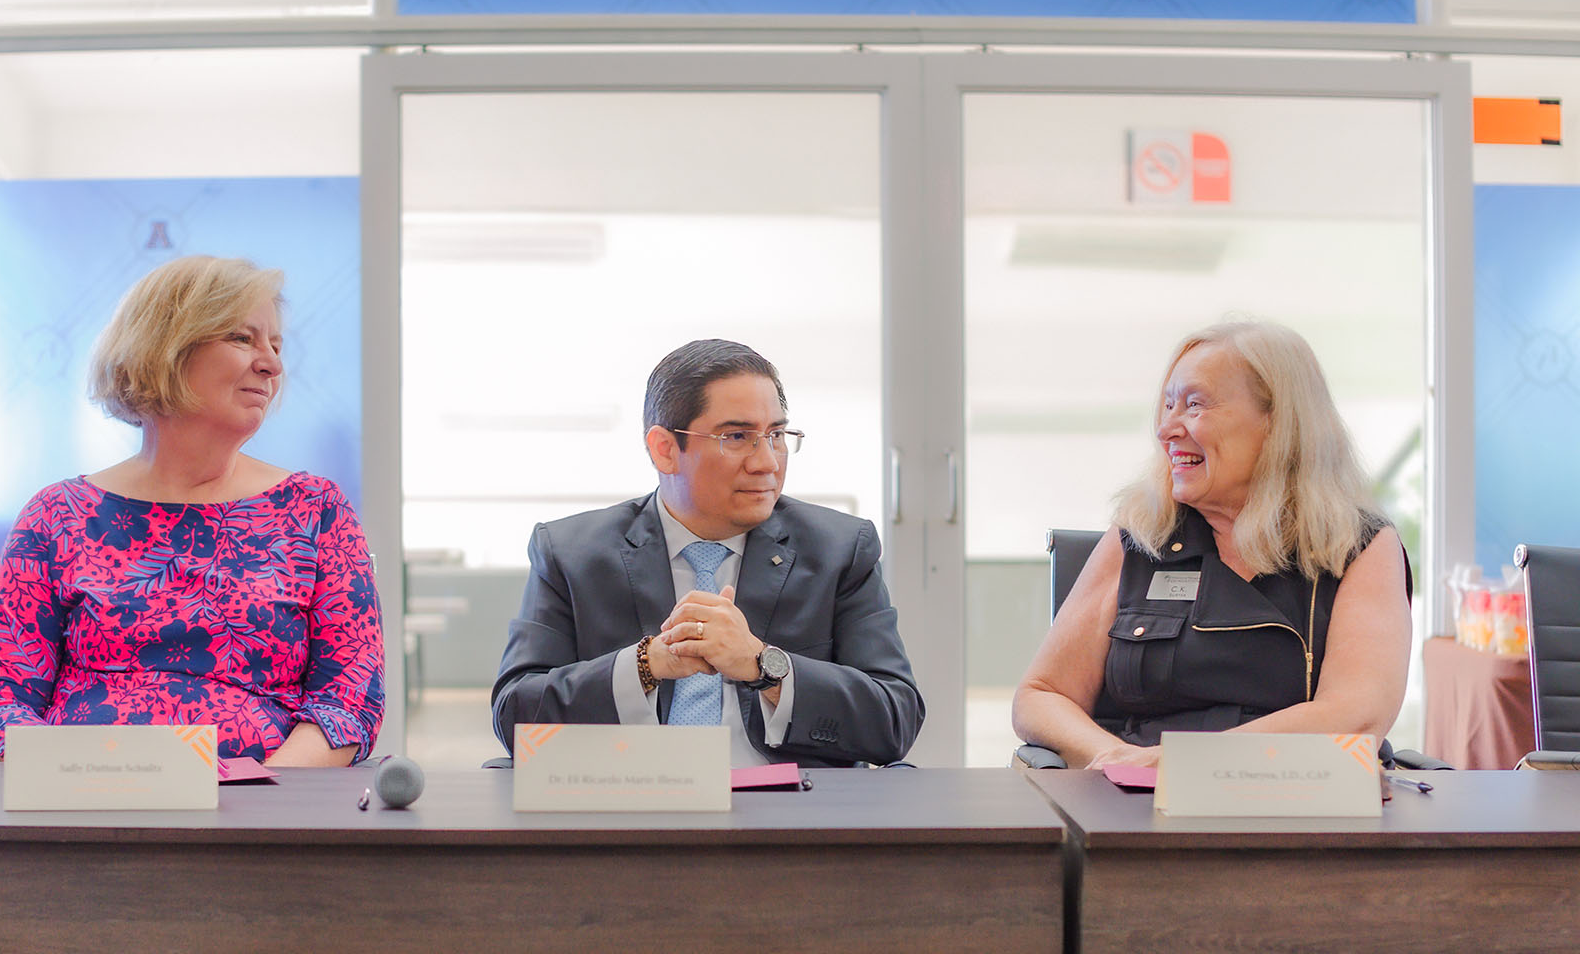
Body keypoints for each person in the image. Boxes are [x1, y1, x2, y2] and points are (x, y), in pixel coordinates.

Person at [0, 255, 383, 766]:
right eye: (242, 338)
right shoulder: (56, 516)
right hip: (81, 816)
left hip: (258, 823)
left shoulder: (317, 511)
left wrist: (257, 805)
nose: (272, 364)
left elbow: (348, 701)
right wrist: (77, 783)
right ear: (165, 346)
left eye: (275, 345)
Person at [492, 339, 924, 767]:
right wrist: (646, 664)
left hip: (786, 816)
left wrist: (762, 666)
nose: (768, 463)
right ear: (665, 449)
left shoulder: (840, 549)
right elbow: (516, 717)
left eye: (775, 435)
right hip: (628, 804)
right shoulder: (571, 553)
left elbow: (895, 719)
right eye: (737, 436)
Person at [1012, 320, 1412, 769]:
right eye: (1167, 406)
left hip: (1292, 804)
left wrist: (1187, 764)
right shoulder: (1141, 536)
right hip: (1133, 805)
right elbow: (1041, 695)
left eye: (1194, 405)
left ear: (1277, 421)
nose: (1166, 429)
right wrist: (1112, 754)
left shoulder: (1357, 547)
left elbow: (1356, 715)